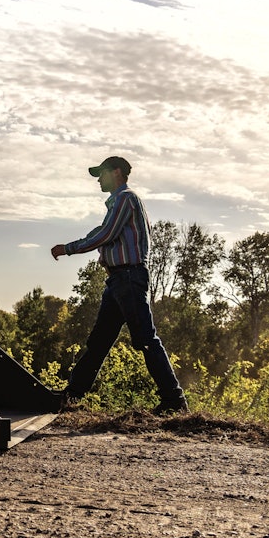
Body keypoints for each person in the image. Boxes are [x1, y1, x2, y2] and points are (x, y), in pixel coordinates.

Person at [50, 156, 188, 415]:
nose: (99, 180)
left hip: (128, 278)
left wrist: (69, 249)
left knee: (145, 339)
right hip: (118, 280)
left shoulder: (126, 199)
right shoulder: (119, 203)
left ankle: (174, 400)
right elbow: (103, 233)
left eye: (101, 174)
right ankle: (72, 394)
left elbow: (106, 234)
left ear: (116, 173)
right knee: (99, 341)